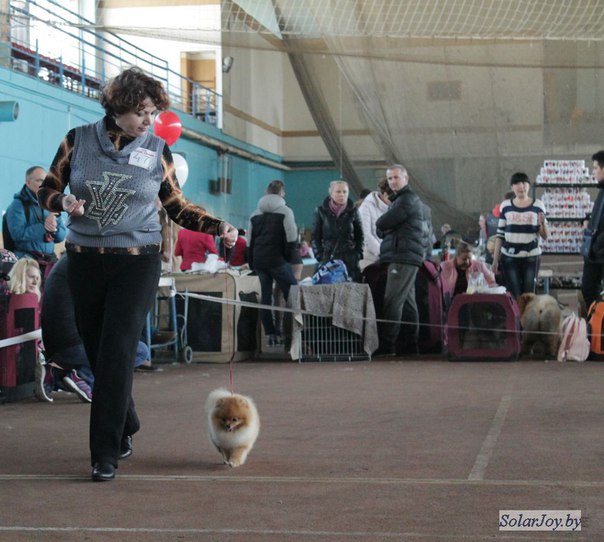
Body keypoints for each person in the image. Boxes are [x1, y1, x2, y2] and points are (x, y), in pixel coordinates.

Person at [38, 67, 237, 482]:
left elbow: (178, 206)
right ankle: (125, 420)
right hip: (84, 259)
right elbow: (48, 188)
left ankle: (104, 454)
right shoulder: (77, 140)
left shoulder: (158, 149)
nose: (150, 121)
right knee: (97, 353)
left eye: (154, 113)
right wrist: (63, 202)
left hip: (137, 261)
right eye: (142, 112)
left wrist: (219, 226)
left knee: (117, 350)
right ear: (118, 107)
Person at [374, 164, 432, 356]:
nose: (392, 181)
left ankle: (388, 345)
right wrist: (387, 228)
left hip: (402, 256)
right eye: (390, 178)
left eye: (396, 177)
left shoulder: (406, 200)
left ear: (406, 179)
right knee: (407, 303)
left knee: (392, 301)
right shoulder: (401, 200)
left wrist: (387, 227)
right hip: (406, 256)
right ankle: (410, 346)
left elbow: (381, 223)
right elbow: (383, 228)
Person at [248, 180, 298, 345]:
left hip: (259, 261)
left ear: (266, 192)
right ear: (282, 193)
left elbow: (249, 241)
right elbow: (291, 237)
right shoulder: (286, 212)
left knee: (265, 297)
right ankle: (290, 332)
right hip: (277, 260)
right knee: (293, 293)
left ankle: (270, 334)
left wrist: (252, 263)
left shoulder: (254, 215)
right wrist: (288, 258)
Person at [492, 172, 548, 299]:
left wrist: (542, 224)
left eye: (524, 183)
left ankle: (528, 313)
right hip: (509, 256)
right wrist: (495, 260)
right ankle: (517, 313)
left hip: (531, 256)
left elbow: (545, 236)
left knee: (529, 294)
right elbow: (500, 234)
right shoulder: (505, 206)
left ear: (529, 185)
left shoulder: (538, 205)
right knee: (513, 293)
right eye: (517, 183)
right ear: (512, 187)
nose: (521, 186)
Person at [5, 166, 66, 276]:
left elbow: (61, 237)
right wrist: (44, 227)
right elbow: (17, 234)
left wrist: (54, 228)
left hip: (49, 262)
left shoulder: (51, 204)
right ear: (28, 183)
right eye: (39, 180)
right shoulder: (17, 205)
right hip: (25, 263)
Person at [311, 180, 364, 282]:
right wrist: (320, 255)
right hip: (328, 258)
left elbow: (360, 236)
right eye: (338, 191)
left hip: (349, 259)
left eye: (345, 192)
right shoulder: (321, 211)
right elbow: (315, 237)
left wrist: (357, 254)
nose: (342, 195)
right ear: (331, 193)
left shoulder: (353, 211)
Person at [440, 241, 498, 310]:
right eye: (464, 259)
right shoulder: (445, 267)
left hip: (474, 304)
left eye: (469, 258)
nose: (467, 262)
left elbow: (492, 282)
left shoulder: (480, 266)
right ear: (457, 256)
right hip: (451, 303)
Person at [581, 150, 604, 310]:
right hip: (595, 253)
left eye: (596, 168)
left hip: (599, 251)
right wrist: (588, 222)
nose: (593, 172)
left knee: (591, 289)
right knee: (589, 289)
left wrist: (597, 244)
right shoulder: (601, 191)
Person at [357, 177, 392, 272]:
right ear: (385, 195)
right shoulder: (366, 207)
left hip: (388, 258)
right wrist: (383, 253)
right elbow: (366, 235)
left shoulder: (394, 208)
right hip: (369, 258)